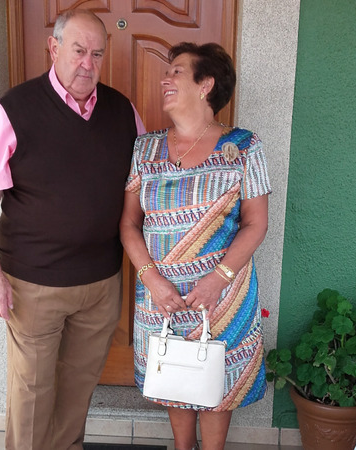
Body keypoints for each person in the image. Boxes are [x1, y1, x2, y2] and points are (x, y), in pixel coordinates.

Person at [0, 9, 145, 450]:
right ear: (54, 47)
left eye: (97, 54)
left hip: (100, 283)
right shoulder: (14, 109)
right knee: (31, 392)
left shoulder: (123, 111)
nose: (87, 64)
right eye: (78, 51)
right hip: (33, 283)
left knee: (78, 388)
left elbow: (144, 182)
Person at [120, 42, 271, 450]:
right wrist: (152, 281)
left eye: (177, 72)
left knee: (216, 380)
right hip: (161, 294)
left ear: (206, 85)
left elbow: (256, 224)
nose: (165, 79)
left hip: (222, 294)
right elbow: (129, 224)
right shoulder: (145, 149)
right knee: (175, 374)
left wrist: (217, 280)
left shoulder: (244, 147)